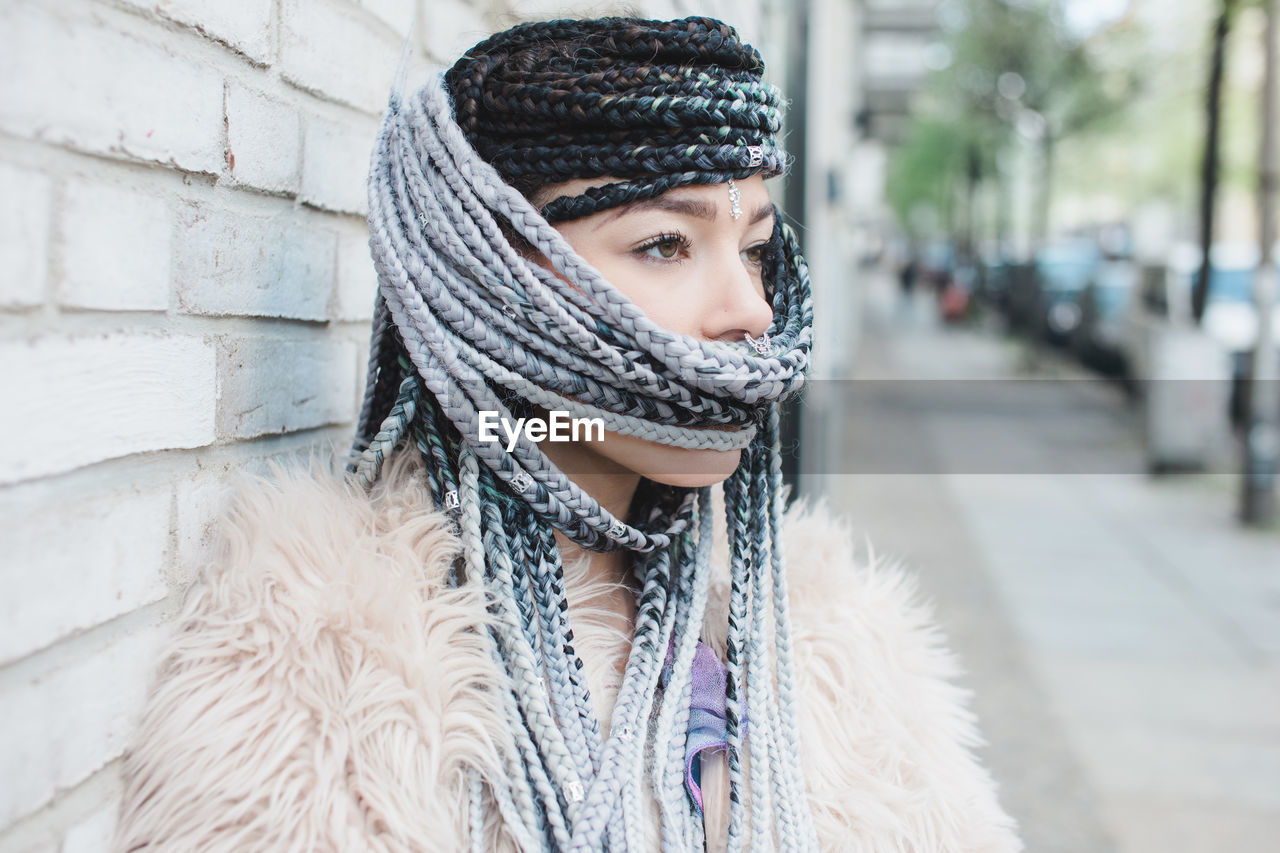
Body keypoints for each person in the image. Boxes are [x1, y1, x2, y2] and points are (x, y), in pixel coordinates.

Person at [113, 16, 1020, 852]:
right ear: (489, 277)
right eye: (666, 244)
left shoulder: (831, 644)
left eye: (753, 248)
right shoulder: (313, 695)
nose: (750, 308)